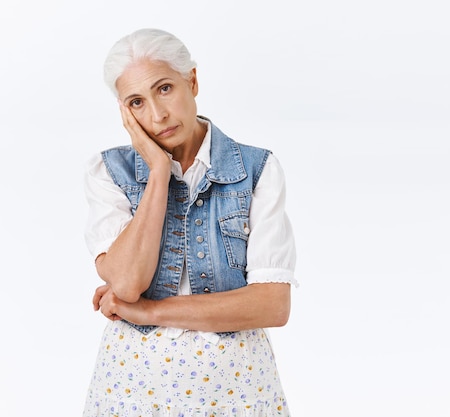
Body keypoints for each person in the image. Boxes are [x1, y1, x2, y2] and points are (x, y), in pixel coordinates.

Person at [82, 28, 297, 417]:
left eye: (164, 88)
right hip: (131, 393)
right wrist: (159, 172)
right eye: (137, 102)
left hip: (237, 393)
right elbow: (129, 283)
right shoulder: (109, 173)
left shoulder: (256, 170)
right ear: (124, 113)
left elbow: (272, 304)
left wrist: (149, 312)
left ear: (192, 81)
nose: (157, 115)